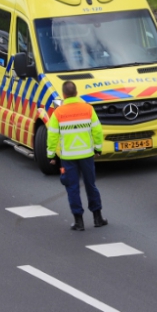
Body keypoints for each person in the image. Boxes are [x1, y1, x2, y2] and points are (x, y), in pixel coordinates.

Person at [47, 81, 106, 231]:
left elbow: (52, 135)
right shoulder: (88, 109)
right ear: (76, 93)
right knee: (90, 185)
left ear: (64, 95)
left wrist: (51, 155)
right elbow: (97, 131)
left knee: (72, 187)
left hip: (68, 157)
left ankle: (78, 221)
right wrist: (98, 149)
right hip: (86, 154)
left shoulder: (58, 112)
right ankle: (97, 217)